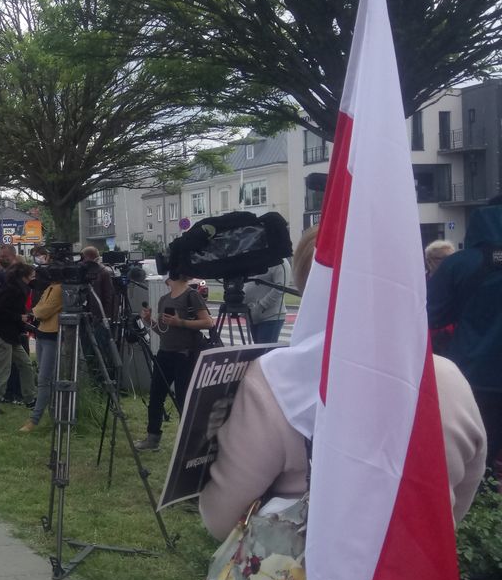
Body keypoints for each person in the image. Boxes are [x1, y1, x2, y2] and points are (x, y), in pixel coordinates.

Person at [201, 224, 486, 537]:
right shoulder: (447, 378)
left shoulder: (275, 381)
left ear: (307, 285)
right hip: (416, 575)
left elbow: (221, 517)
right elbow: (458, 499)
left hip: (304, 578)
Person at [428, 197, 502, 468]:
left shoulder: (460, 264)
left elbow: (432, 314)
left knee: (476, 458)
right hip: (475, 372)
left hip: (473, 374)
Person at [136, 268, 214, 451]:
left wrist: (181, 322)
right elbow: (164, 332)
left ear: (171, 276)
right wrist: (149, 321)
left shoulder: (192, 295)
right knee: (156, 396)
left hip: (185, 355)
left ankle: (190, 442)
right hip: (165, 353)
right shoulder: (164, 299)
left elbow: (208, 322)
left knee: (183, 399)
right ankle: (152, 438)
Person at [0, 262, 38, 415]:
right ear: (24, 276)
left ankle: (30, 398)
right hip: (2, 333)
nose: (34, 278)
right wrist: (20, 317)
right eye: (32, 275)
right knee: (4, 369)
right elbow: (1, 311)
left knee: (25, 364)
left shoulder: (14, 287)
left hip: (9, 334)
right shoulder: (15, 290)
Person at [21, 272, 61, 433]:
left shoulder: (59, 289)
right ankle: (54, 418)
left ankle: (35, 419)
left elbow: (43, 310)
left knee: (44, 379)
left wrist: (34, 313)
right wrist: (36, 312)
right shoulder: (51, 287)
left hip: (52, 334)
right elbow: (40, 306)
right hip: (43, 333)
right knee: (44, 378)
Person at [243, 258, 289, 344]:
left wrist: (262, 305)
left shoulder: (280, 261)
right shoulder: (256, 259)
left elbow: (281, 288)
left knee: (263, 353)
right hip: (252, 315)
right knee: (258, 351)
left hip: (271, 316)